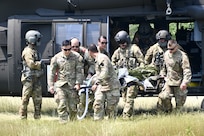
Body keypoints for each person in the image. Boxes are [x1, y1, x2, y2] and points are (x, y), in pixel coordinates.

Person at [48, 40, 84, 123]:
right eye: (65, 50)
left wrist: (78, 83)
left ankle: (73, 123)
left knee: (73, 107)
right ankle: (63, 123)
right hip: (61, 85)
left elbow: (79, 71)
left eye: (69, 49)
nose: (67, 51)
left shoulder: (77, 57)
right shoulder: (56, 58)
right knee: (62, 104)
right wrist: (51, 85)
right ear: (62, 48)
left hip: (72, 86)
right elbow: (52, 73)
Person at [111, 30, 144, 119]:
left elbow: (142, 62)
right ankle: (129, 113)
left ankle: (126, 116)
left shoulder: (134, 49)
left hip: (132, 78)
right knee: (125, 98)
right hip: (122, 79)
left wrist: (138, 72)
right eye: (120, 43)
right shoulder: (117, 52)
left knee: (130, 97)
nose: (123, 45)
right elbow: (112, 63)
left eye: (124, 42)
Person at [157, 39, 192, 113]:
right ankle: (169, 110)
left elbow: (187, 70)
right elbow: (164, 67)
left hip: (179, 82)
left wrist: (185, 82)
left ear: (176, 47)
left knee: (179, 104)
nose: (170, 51)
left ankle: (177, 115)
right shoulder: (166, 54)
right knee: (164, 97)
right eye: (168, 49)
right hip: (169, 80)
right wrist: (162, 73)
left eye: (172, 49)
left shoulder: (182, 56)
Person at [88, 43, 121, 120]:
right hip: (102, 85)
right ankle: (98, 122)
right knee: (97, 104)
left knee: (111, 108)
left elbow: (104, 73)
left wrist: (96, 83)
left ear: (89, 52)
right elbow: (99, 74)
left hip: (111, 85)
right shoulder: (97, 59)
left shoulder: (102, 58)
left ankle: (111, 125)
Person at [19, 30, 44, 120]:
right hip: (29, 79)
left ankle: (37, 117)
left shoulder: (35, 51)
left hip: (36, 78)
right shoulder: (28, 52)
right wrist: (40, 64)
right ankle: (23, 117)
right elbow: (31, 64)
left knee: (38, 100)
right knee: (25, 99)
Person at [70, 38, 95, 117]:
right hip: (72, 77)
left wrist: (90, 74)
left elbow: (92, 64)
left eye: (76, 47)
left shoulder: (85, 53)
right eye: (73, 47)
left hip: (84, 76)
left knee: (85, 95)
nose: (75, 49)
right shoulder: (67, 52)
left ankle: (85, 113)